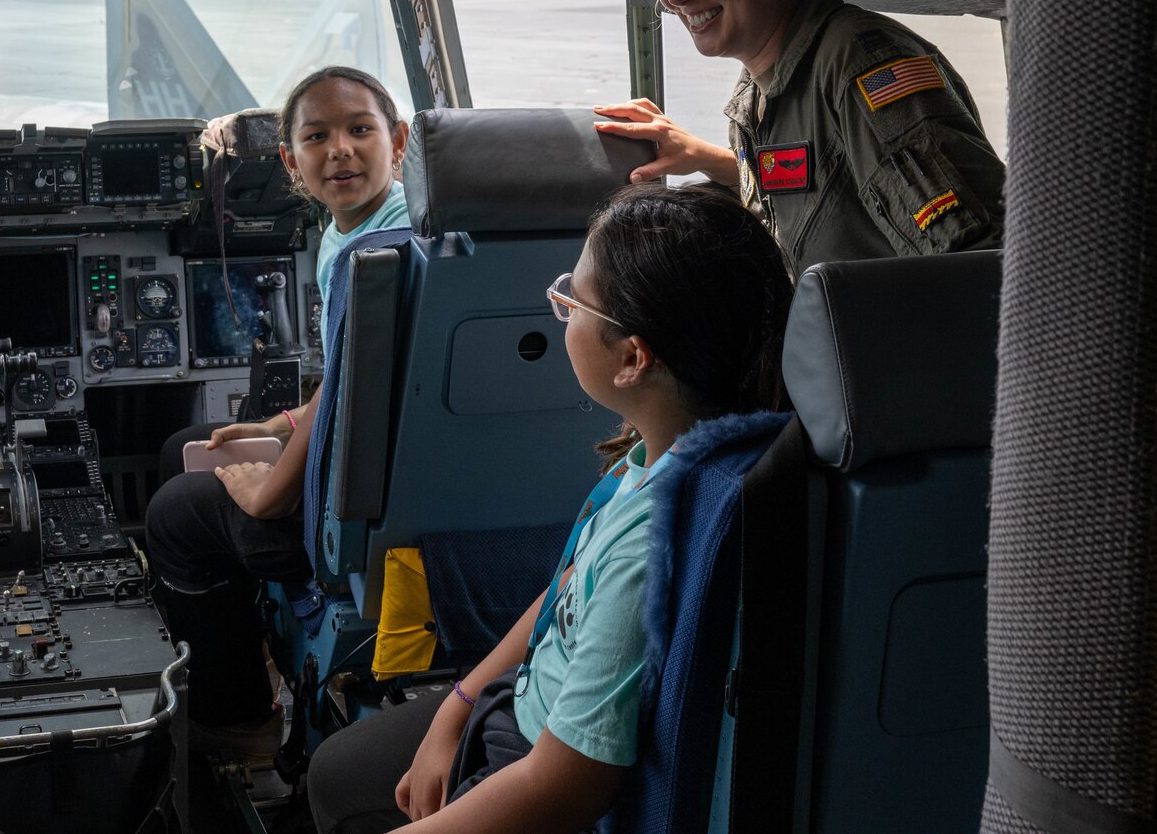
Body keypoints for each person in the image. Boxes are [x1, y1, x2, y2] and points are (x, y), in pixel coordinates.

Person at [305, 184, 792, 833]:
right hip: (523, 703)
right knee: (337, 770)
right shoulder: (666, 453)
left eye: (572, 299)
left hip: (533, 758)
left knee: (341, 788)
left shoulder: (651, 544)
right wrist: (455, 706)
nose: (559, 307)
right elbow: (564, 590)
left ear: (631, 358)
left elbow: (563, 788)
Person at [144, 66, 411, 759]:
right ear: (291, 161)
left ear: (399, 140)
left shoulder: (373, 255)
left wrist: (266, 494)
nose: (340, 150)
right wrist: (280, 426)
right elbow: (360, 376)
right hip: (406, 483)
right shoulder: (397, 228)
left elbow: (355, 392)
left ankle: (238, 717)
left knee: (175, 509)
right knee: (187, 443)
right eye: (317, 136)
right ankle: (259, 644)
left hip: (366, 518)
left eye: (360, 129)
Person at [593, 0, 1004, 275]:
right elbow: (826, 184)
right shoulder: (762, 85)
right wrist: (708, 158)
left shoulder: (862, 66)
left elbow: (975, 260)